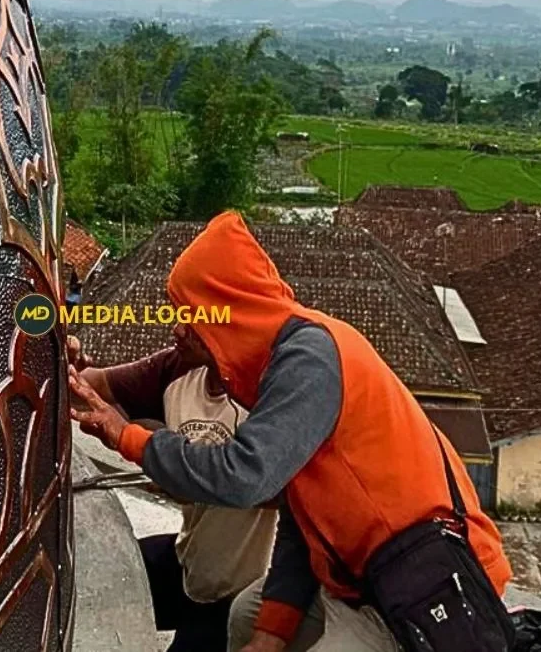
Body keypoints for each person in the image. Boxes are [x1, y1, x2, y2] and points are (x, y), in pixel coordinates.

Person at [69, 212, 512, 652]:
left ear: (230, 312)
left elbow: (244, 475)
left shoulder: (309, 359)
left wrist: (126, 437)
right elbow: (307, 521)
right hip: (353, 575)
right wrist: (270, 635)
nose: (179, 328)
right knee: (247, 617)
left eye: (191, 314)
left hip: (421, 583)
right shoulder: (272, 370)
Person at [68, 329, 278, 652]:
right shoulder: (176, 368)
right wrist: (63, 366)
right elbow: (90, 388)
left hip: (240, 587)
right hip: (189, 557)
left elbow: (253, 484)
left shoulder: (270, 396)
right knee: (99, 576)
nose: (177, 328)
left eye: (192, 314)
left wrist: (167, 468)